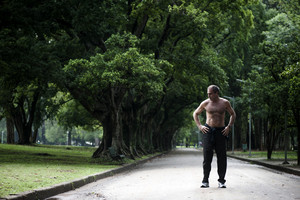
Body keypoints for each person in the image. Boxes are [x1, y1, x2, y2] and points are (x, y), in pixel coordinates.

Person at [193, 85, 236, 188]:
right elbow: (195, 113)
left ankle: (221, 181)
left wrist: (229, 127)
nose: (208, 95)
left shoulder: (225, 103)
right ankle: (205, 180)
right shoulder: (205, 103)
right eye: (208, 94)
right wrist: (200, 126)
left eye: (210, 93)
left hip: (221, 131)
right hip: (208, 131)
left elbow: (233, 114)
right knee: (207, 157)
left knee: (222, 157)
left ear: (216, 93)